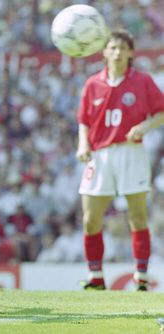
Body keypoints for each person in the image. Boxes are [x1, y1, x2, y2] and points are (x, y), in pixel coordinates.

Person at [76, 30, 164, 291]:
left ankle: (141, 277)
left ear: (131, 53)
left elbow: (161, 112)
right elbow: (84, 120)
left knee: (137, 216)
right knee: (90, 219)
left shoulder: (143, 81)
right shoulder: (93, 84)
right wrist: (83, 143)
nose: (117, 52)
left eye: (122, 48)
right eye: (112, 47)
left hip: (130, 151)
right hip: (100, 155)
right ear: (104, 52)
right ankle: (96, 276)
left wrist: (144, 127)